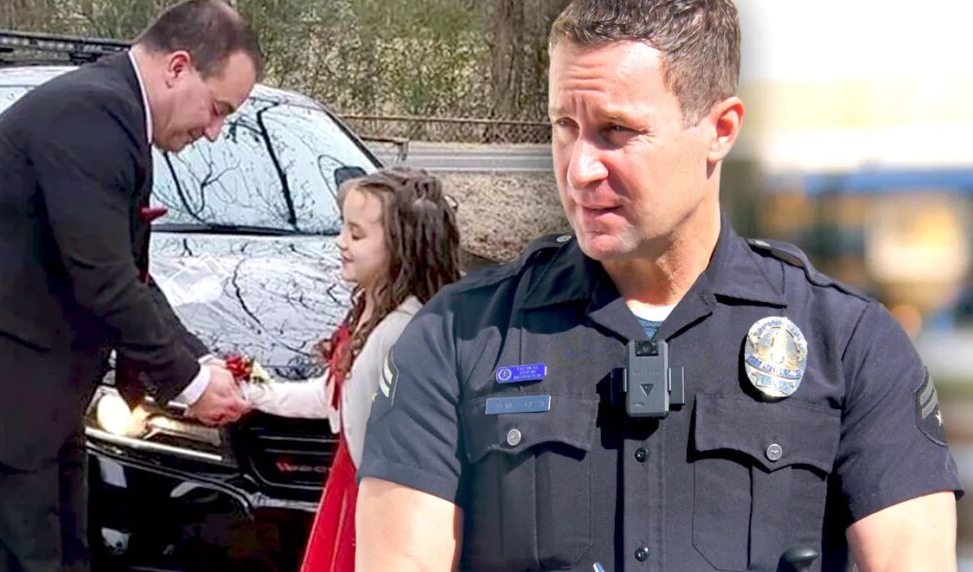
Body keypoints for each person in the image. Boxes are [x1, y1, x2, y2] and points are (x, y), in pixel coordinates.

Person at [355, 1, 962, 571]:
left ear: (720, 129)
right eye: (565, 125)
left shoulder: (850, 344)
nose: (579, 167)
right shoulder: (457, 337)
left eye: (616, 131)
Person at [0, 1, 260, 570]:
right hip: (1, 396)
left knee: (68, 557)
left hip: (40, 396)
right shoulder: (91, 115)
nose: (214, 132)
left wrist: (202, 356)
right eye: (217, 109)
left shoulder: (112, 116)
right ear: (178, 67)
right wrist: (189, 382)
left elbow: (129, 273)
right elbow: (103, 278)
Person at [241, 167, 461, 571]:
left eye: (356, 235)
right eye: (344, 229)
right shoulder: (370, 312)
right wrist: (254, 393)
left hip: (378, 504)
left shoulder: (400, 335)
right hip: (350, 490)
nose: (341, 243)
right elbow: (334, 398)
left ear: (402, 246)